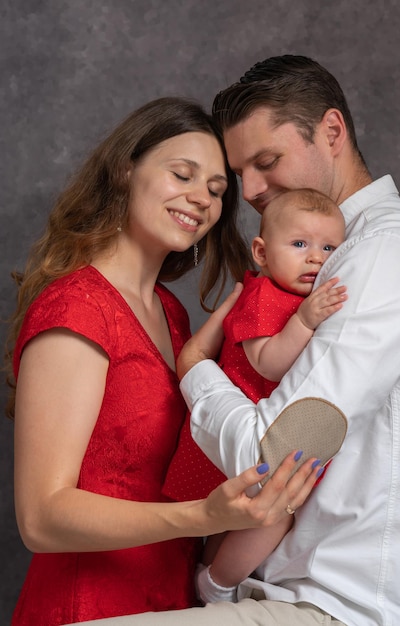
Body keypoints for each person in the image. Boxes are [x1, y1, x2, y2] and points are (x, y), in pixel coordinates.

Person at [78, 55, 400, 625]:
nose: (249, 191)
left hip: (340, 607)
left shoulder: (383, 257)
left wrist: (196, 367)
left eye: (267, 161)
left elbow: (273, 456)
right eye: (239, 172)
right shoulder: (330, 257)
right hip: (278, 587)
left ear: (331, 132)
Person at [4, 96, 325, 626]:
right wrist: (201, 516)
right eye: (183, 174)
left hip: (173, 602)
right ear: (126, 169)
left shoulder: (171, 315)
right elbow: (41, 517)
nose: (201, 198)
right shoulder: (77, 307)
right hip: (88, 609)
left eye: (217, 190)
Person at [163, 188, 347, 604]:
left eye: (329, 247)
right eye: (299, 244)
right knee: (273, 515)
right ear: (261, 253)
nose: (316, 257)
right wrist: (305, 320)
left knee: (237, 522)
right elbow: (268, 363)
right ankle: (217, 584)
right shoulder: (265, 296)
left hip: (262, 429)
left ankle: (209, 574)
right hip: (233, 431)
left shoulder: (298, 296)